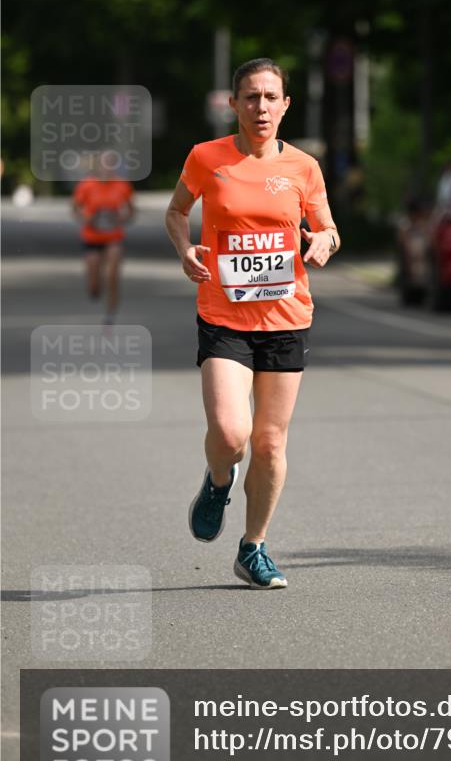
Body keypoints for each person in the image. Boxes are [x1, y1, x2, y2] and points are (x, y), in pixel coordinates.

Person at [165, 58, 340, 589]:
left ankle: (253, 548)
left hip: (286, 318)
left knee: (268, 444)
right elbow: (176, 212)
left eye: (270, 97)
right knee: (230, 432)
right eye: (250, 97)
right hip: (223, 315)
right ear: (234, 104)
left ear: (286, 105)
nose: (260, 107)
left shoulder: (304, 167)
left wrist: (322, 242)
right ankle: (218, 481)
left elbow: (328, 227)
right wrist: (184, 251)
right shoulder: (207, 158)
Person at [72, 156, 134, 325]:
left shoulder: (122, 186)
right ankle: (94, 288)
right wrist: (85, 218)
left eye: (111, 166)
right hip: (91, 236)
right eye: (104, 166)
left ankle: (110, 313)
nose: (107, 170)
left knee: (112, 275)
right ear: (98, 167)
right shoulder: (86, 185)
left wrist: (123, 217)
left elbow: (131, 211)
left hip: (114, 237)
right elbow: (75, 209)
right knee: (94, 280)